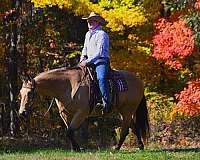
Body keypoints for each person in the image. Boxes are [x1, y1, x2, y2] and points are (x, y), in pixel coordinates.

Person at [79, 12, 111, 113]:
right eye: (89, 21)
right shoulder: (87, 34)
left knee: (101, 78)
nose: (90, 22)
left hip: (101, 60)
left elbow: (99, 52)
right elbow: (85, 48)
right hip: (88, 61)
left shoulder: (102, 34)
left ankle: (107, 102)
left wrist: (87, 61)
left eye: (92, 20)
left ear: (98, 22)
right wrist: (82, 59)